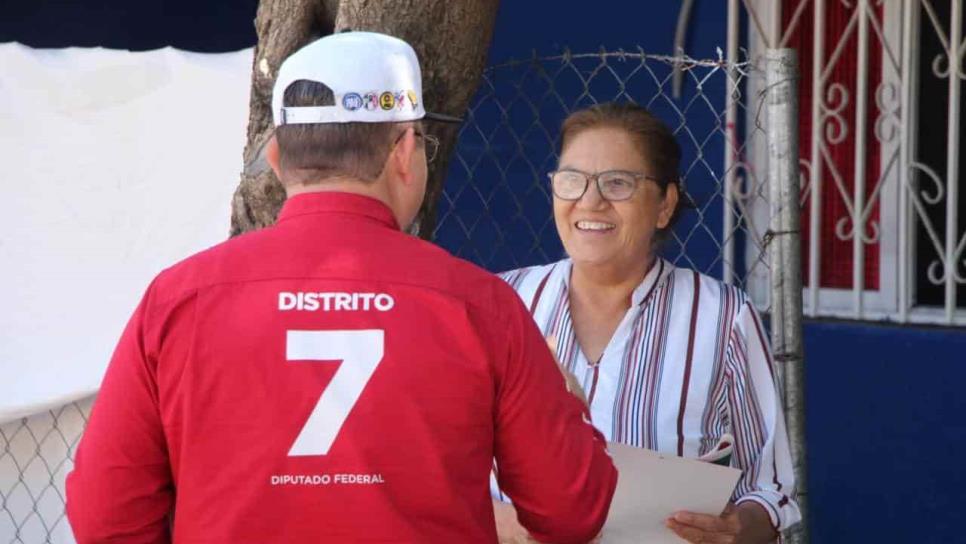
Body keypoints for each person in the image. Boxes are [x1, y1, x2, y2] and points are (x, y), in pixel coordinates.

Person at [66, 31, 617, 543]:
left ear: (278, 159)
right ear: (404, 151)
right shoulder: (479, 305)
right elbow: (570, 510)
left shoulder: (178, 300)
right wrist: (566, 402)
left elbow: (103, 518)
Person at [492, 102, 801, 544]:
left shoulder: (721, 316)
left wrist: (738, 530)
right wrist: (504, 523)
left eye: (618, 183)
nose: (590, 200)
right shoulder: (500, 304)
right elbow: (433, 463)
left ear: (664, 204)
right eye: (572, 180)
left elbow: (770, 488)